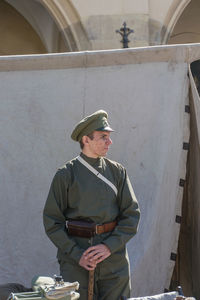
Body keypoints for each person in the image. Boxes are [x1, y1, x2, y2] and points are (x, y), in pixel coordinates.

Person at [43, 110, 140, 300]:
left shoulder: (117, 172)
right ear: (86, 140)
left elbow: (131, 215)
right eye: (103, 137)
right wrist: (76, 254)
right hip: (77, 261)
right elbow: (52, 222)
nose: (109, 142)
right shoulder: (65, 175)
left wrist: (109, 247)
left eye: (109, 137)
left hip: (113, 260)